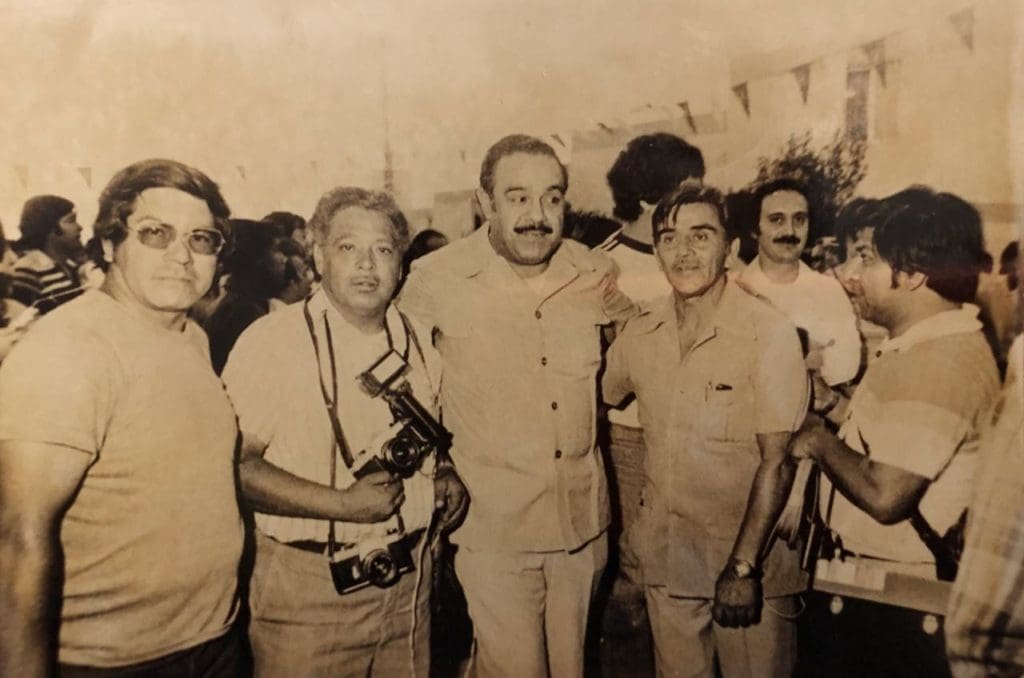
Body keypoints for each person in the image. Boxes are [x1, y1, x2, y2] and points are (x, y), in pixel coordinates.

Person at [399, 134, 636, 677]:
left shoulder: (592, 272)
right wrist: (437, 465)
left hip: (582, 526)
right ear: (484, 202)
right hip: (493, 528)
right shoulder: (436, 278)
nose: (538, 216)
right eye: (518, 198)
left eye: (552, 198)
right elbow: (400, 387)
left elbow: (644, 342)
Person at [0, 158, 246, 677]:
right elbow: (17, 538)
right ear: (110, 245)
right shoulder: (71, 348)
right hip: (113, 662)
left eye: (201, 239)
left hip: (212, 644)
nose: (182, 255)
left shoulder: (190, 337)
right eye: (156, 233)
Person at [221, 187, 467, 677]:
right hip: (308, 596)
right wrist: (342, 505)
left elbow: (428, 438)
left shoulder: (420, 339)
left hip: (409, 588)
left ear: (402, 263)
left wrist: (443, 472)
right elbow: (233, 468)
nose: (367, 265)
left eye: (383, 249)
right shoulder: (271, 341)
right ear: (317, 256)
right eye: (348, 247)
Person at [791, 186, 1000, 677]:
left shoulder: (940, 362)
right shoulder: (920, 348)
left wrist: (818, 439)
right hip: (879, 597)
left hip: (900, 612)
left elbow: (886, 494)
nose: (849, 274)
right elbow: (900, 444)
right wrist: (835, 406)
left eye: (866, 258)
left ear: (912, 274)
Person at [603, 184, 809, 677]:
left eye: (701, 236)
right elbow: (594, 398)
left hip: (749, 566)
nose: (684, 252)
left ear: (731, 248)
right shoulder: (640, 333)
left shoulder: (768, 332)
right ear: (656, 252)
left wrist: (742, 568)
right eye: (669, 239)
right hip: (669, 561)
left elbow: (778, 463)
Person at [596, 133, 707, 633]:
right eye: (687, 194)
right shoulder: (603, 266)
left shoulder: (702, 257)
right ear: (647, 198)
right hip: (631, 441)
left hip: (696, 437)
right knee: (633, 573)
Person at [737, 178, 861, 409]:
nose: (790, 231)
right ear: (755, 229)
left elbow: (845, 369)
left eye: (799, 220)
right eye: (776, 220)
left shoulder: (829, 291)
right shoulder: (734, 289)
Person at [204, 218, 288, 374]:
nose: (284, 259)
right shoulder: (244, 314)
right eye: (275, 250)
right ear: (257, 259)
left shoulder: (239, 305)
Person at [10, 194, 85, 313]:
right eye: (71, 220)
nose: (80, 227)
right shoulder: (27, 272)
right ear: (51, 227)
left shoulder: (70, 267)